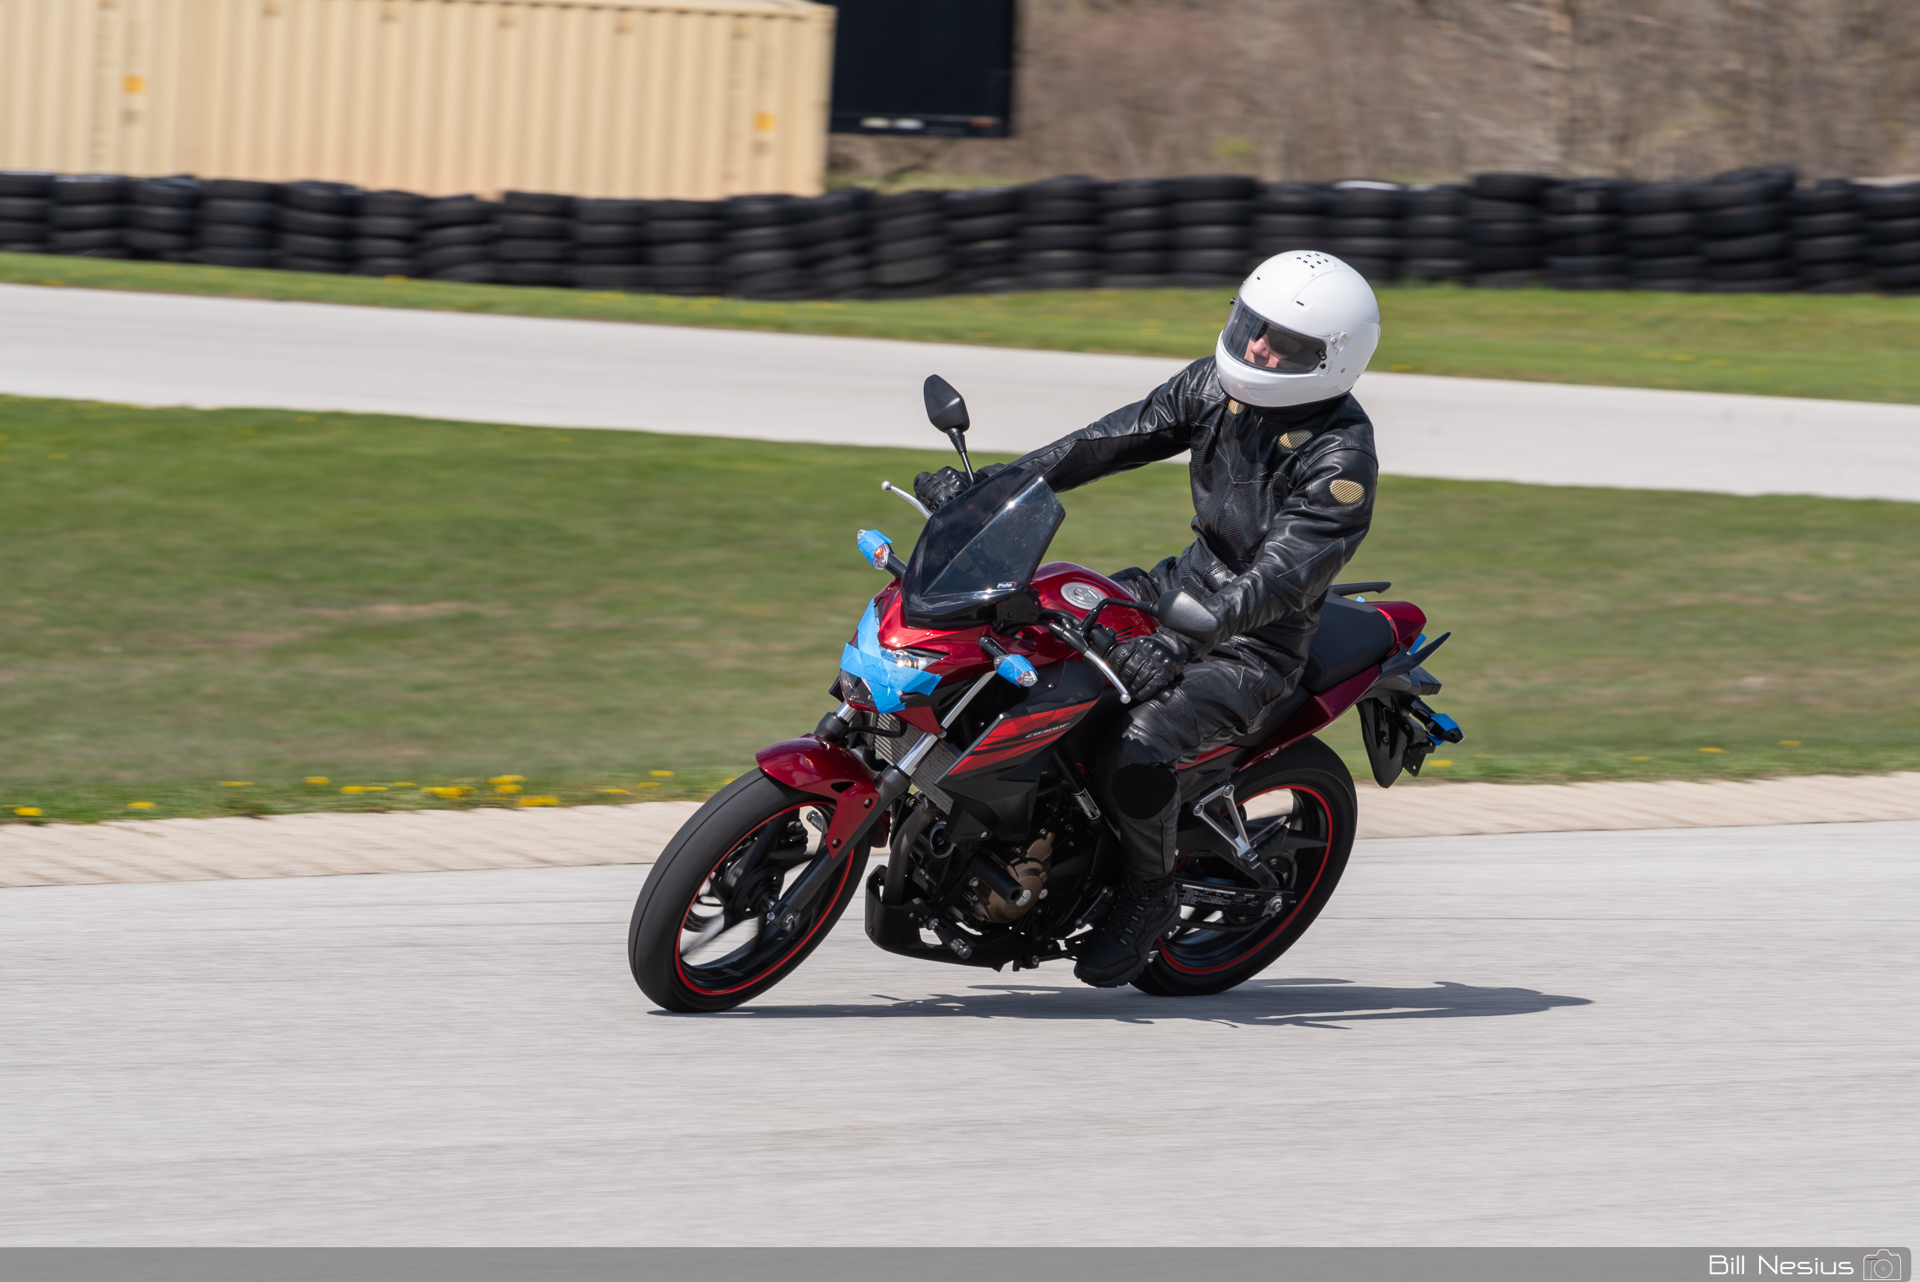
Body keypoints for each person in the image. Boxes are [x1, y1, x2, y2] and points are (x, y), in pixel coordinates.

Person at [914, 250, 1384, 987]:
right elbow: (1104, 441)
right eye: (1255, 327)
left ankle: (1149, 892)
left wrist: (1180, 638)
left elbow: (1280, 576)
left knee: (1137, 747)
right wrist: (991, 492)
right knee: (1023, 634)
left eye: (1283, 343)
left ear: (1331, 360)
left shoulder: (1340, 458)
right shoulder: (1214, 384)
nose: (1258, 347)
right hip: (1172, 590)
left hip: (1252, 646)